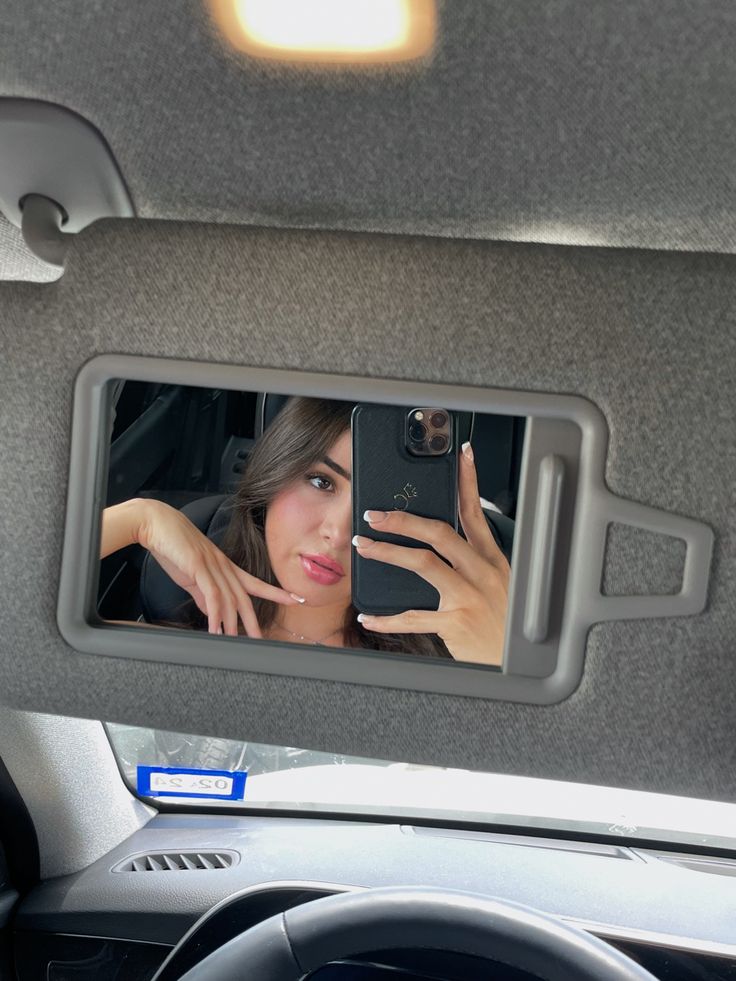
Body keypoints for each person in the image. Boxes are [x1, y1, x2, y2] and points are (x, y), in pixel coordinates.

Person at [101, 398, 510, 665]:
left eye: (381, 508)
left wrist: (497, 666)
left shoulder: (446, 661)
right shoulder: (191, 640)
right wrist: (140, 519)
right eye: (321, 482)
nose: (337, 532)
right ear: (274, 473)